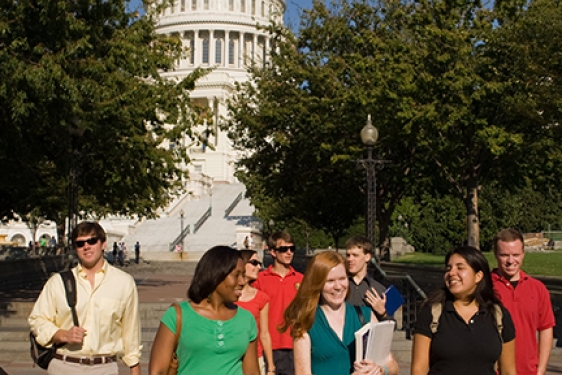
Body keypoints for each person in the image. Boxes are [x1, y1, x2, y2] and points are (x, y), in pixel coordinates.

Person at [28, 221, 142, 375]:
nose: (86, 246)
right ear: (75, 249)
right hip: (65, 364)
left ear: (103, 244)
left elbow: (131, 329)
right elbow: (37, 319)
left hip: (104, 367)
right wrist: (62, 334)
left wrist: (134, 367)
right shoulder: (58, 282)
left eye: (92, 241)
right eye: (80, 243)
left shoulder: (124, 282)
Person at [281, 251, 399, 375]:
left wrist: (380, 370)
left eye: (342, 279)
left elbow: (392, 365)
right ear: (317, 284)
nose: (338, 286)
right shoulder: (306, 323)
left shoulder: (366, 316)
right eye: (330, 281)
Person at [149, 246, 260, 375]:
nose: (242, 281)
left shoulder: (246, 319)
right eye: (236, 275)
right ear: (216, 275)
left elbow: (252, 372)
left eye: (243, 275)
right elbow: (157, 371)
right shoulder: (177, 315)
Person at [411, 246, 516, 375]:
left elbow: (508, 371)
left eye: (460, 268)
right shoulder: (432, 314)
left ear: (478, 276)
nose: (451, 273)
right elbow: (418, 370)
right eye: (448, 268)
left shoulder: (498, 315)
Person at [492, 228, 556, 375]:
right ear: (495, 254)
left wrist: (540, 370)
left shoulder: (538, 289)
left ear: (523, 254)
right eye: (504, 255)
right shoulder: (484, 288)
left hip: (528, 371)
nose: (510, 261)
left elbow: (546, 329)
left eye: (515, 255)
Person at [253, 231, 303, 375]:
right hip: (268, 347)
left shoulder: (301, 279)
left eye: (292, 249)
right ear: (273, 252)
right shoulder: (259, 279)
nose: (289, 253)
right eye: (283, 249)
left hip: (295, 345)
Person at [236, 250, 275, 374]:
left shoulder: (261, 298)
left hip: (255, 358)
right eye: (254, 263)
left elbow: (264, 334)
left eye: (259, 263)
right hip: (230, 357)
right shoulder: (225, 296)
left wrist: (271, 367)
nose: (259, 267)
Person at [345, 235, 388, 321]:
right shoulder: (339, 285)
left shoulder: (379, 289)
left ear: (367, 257)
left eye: (355, 255)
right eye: (348, 255)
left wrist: (383, 313)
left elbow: (391, 327)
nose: (350, 259)